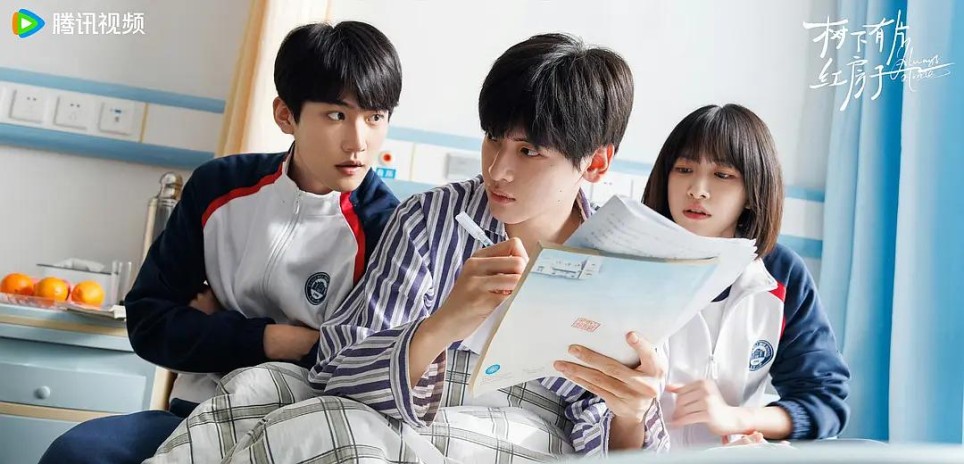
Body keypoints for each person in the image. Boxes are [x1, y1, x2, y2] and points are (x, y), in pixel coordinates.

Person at [147, 32, 670, 463]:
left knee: (325, 430)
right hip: (402, 415)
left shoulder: (630, 267)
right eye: (493, 138)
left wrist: (631, 412)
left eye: (529, 151)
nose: (498, 169)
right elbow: (339, 368)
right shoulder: (429, 219)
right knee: (267, 393)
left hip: (527, 435)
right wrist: (444, 323)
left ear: (595, 163)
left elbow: (625, 444)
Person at [39, 20, 403, 464]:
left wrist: (217, 328)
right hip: (194, 412)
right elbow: (150, 322)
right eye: (336, 115)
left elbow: (361, 368)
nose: (358, 142)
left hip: (301, 431)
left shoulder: (388, 227)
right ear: (285, 115)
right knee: (76, 452)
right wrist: (275, 339)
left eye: (375, 117)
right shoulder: (218, 187)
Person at [641, 103, 850, 448]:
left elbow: (825, 400)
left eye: (722, 175)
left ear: (752, 193)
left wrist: (737, 419)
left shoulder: (782, 273)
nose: (697, 189)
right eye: (684, 169)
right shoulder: (631, 264)